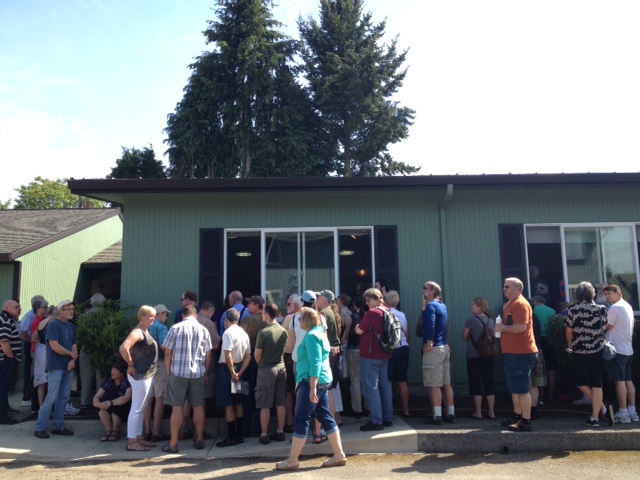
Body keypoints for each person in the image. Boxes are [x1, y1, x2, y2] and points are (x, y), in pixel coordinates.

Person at [275, 307, 347, 471]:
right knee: (326, 416)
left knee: (301, 418)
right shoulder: (319, 333)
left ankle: (292, 460)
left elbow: (315, 362)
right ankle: (339, 454)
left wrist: (312, 387)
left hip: (311, 382)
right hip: (321, 381)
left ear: (306, 320)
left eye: (300, 319)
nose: (298, 321)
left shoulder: (312, 336)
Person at [161, 304, 212, 453]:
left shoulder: (175, 328)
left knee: (176, 407)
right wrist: (206, 371)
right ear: (195, 316)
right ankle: (200, 439)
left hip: (178, 372)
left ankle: (173, 443)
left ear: (183, 316)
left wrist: (168, 370)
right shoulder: (203, 330)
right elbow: (208, 354)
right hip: (198, 373)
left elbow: (168, 352)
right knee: (197, 406)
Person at [564, 281, 613, 428]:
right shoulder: (602, 309)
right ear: (592, 293)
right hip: (598, 350)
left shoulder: (573, 309)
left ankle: (603, 409)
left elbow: (568, 330)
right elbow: (605, 327)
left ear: (577, 294)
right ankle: (595, 417)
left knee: (580, 382)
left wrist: (570, 344)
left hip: (580, 350)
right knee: (597, 383)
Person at [495, 278, 538, 432]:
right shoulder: (511, 304)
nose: (504, 289)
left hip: (521, 352)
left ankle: (526, 421)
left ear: (517, 289)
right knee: (516, 387)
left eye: (507, 287)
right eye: (504, 286)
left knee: (521, 388)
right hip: (514, 352)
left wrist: (503, 328)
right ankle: (517, 416)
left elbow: (521, 327)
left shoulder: (520, 304)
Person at [34, 300, 78, 438]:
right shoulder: (53, 325)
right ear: (60, 311)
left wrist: (73, 360)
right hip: (56, 366)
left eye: (72, 309)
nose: (71, 311)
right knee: (51, 397)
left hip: (68, 366)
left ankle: (58, 426)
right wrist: (71, 355)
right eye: (68, 309)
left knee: (63, 397)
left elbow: (74, 345)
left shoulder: (71, 326)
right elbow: (54, 346)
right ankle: (40, 427)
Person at [119, 305, 158, 451]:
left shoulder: (144, 331)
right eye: (150, 315)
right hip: (140, 375)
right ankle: (132, 441)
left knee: (140, 407)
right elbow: (124, 348)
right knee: (136, 408)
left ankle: (138, 437)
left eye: (154, 315)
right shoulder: (137, 332)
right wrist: (130, 364)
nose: (153, 318)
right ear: (142, 316)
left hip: (145, 375)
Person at [355, 288, 393, 431]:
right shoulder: (387, 310)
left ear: (375, 299)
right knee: (385, 386)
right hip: (385, 354)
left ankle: (376, 420)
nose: (367, 303)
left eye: (368, 300)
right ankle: (387, 418)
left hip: (371, 355)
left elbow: (359, 330)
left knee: (372, 387)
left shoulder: (373, 312)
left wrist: (358, 326)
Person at [215, 308, 251, 448]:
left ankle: (231, 436)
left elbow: (227, 354)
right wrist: (240, 372)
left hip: (227, 370)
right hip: (241, 368)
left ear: (227, 320)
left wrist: (232, 372)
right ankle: (240, 434)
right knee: (238, 402)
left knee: (228, 403)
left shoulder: (227, 333)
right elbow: (248, 356)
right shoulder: (244, 333)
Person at [603, 284, 638, 423]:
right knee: (628, 380)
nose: (607, 297)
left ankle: (623, 413)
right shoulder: (627, 306)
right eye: (605, 294)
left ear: (618, 292)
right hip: (628, 348)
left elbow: (608, 326)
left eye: (609, 294)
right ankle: (632, 411)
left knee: (620, 381)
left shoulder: (615, 308)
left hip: (616, 349)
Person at [422, 281, 456, 425]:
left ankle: (437, 416)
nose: (423, 291)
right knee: (446, 383)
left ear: (433, 292)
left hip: (434, 349)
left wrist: (429, 341)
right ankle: (451, 413)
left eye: (426, 289)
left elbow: (430, 322)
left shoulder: (431, 306)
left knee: (434, 384)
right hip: (444, 347)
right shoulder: (442, 305)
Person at [254, 303, 288, 444]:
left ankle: (264, 434)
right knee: (280, 402)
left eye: (263, 313)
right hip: (281, 367)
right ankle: (280, 431)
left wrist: (261, 365)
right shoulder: (283, 331)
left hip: (266, 369)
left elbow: (257, 355)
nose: (262, 315)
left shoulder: (263, 332)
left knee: (265, 404)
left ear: (267, 314)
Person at [462, 297, 496, 420]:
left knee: (476, 382)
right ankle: (492, 412)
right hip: (489, 355)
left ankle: (478, 412)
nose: (471, 307)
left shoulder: (471, 320)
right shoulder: (491, 321)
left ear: (479, 307)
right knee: (489, 381)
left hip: (474, 355)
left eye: (473, 305)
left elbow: (464, 337)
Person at [143, 304, 171, 442]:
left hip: (145, 366)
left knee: (149, 398)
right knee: (160, 397)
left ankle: (147, 430)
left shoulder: (145, 326)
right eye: (166, 314)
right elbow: (165, 347)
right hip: (159, 363)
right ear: (160, 314)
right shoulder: (161, 327)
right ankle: (156, 432)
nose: (167, 317)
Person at [384, 290, 411, 418]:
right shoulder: (402, 315)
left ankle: (389, 410)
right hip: (404, 347)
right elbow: (408, 334)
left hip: (391, 349)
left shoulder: (385, 314)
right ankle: (406, 410)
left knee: (388, 381)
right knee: (402, 380)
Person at [93, 360, 132, 442]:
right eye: (112, 370)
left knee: (116, 409)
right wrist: (98, 404)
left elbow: (127, 397)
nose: (112, 372)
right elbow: (97, 396)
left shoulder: (126, 382)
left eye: (115, 371)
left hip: (122, 407)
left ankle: (115, 431)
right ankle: (108, 431)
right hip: (108, 404)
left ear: (122, 373)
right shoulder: (109, 381)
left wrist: (110, 403)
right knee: (102, 408)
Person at [79, 293, 106, 409]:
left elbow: (80, 334)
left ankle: (84, 402)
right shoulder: (106, 316)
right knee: (100, 376)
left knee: (86, 376)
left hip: (86, 348)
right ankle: (99, 402)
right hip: (101, 349)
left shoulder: (84, 316)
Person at [280, 294, 302, 431]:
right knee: (301, 389)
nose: (287, 306)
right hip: (303, 356)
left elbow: (281, 336)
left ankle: (290, 421)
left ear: (295, 305)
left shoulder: (290, 318)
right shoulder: (307, 316)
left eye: (288, 304)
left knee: (289, 391)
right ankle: (299, 419)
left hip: (289, 356)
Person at [19, 295, 44, 408]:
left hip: (36, 345)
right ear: (36, 306)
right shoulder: (30, 315)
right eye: (43, 305)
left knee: (35, 373)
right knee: (30, 371)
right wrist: (32, 341)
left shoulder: (41, 317)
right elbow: (23, 332)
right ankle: (27, 397)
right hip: (31, 344)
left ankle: (32, 398)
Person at [0, 300, 22, 425]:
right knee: (3, 388)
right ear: (7, 307)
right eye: (16, 307)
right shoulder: (6, 320)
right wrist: (10, 357)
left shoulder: (5, 318)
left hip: (5, 360)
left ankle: (4, 411)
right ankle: (2, 415)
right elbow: (3, 341)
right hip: (5, 361)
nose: (18, 309)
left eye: (19, 307)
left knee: (3, 387)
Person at [344, 296, 366, 418]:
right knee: (366, 379)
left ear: (354, 304)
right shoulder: (367, 316)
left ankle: (357, 410)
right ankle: (368, 407)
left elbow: (347, 336)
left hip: (353, 349)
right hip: (365, 350)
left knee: (355, 380)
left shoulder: (351, 318)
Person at [533, 295, 558, 401]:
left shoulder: (534, 310)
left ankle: (541, 394)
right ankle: (551, 394)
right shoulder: (552, 311)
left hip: (537, 340)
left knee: (539, 368)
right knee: (551, 367)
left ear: (536, 302)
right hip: (550, 340)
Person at [30, 300, 51, 411]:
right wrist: (42, 343)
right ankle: (37, 406)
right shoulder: (38, 321)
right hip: (38, 351)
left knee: (42, 380)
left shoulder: (42, 320)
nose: (46, 309)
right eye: (44, 307)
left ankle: (39, 406)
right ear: (38, 308)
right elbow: (34, 337)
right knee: (40, 380)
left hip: (40, 350)